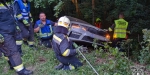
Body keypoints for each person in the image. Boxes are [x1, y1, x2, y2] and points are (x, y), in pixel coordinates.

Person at [0, 0, 33, 75]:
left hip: (12, 30)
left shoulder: (6, 3)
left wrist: (16, 26)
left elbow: (12, 16)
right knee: (13, 50)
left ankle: (12, 64)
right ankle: (21, 71)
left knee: (7, 50)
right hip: (4, 33)